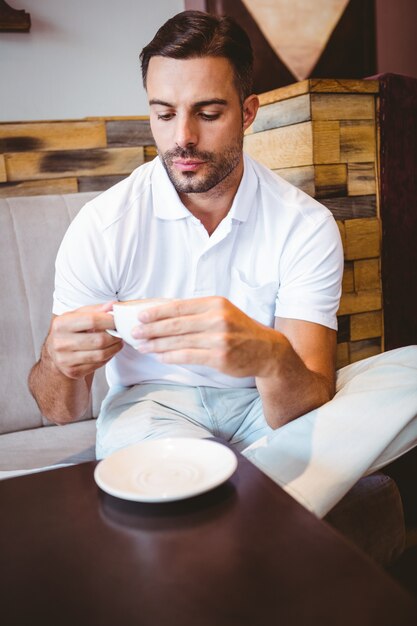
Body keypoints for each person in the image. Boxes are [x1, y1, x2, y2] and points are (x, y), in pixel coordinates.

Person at [28, 10, 417, 517]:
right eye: (164, 114)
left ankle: (206, 487)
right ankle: (271, 488)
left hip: (267, 407)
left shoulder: (305, 224)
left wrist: (269, 356)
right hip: (153, 405)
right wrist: (57, 363)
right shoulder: (101, 226)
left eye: (208, 113)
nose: (182, 137)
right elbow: (61, 412)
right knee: (164, 448)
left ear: (248, 111)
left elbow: (305, 402)